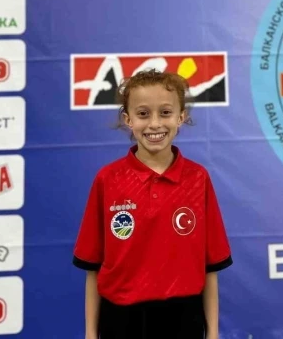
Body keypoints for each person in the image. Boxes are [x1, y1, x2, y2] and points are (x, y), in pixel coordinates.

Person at [72, 69, 233, 339]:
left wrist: (213, 333)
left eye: (166, 112)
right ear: (128, 119)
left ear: (181, 117)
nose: (155, 124)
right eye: (143, 113)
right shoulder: (108, 180)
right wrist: (90, 334)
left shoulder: (197, 179)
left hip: (184, 318)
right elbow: (93, 268)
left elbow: (210, 268)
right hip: (120, 319)